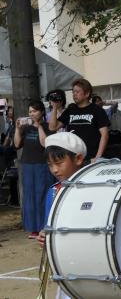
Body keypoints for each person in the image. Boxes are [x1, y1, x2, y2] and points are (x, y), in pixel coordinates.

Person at [37, 132, 87, 299]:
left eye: (59, 163)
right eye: (50, 165)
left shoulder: (95, 188)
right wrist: (45, 237)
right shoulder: (53, 192)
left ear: (78, 159)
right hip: (66, 265)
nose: (54, 170)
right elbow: (48, 227)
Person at [14, 100, 54, 239]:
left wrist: (39, 126)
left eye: (34, 111)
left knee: (42, 194)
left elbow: (44, 143)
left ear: (41, 112)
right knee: (29, 196)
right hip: (27, 164)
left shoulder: (48, 126)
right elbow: (17, 144)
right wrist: (17, 129)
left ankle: (43, 226)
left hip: (42, 164)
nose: (31, 114)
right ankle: (33, 228)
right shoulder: (25, 127)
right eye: (30, 111)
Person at [50, 79, 110, 163]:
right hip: (73, 158)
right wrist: (54, 108)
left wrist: (98, 157)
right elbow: (53, 127)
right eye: (73, 92)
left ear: (87, 94)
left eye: (77, 92)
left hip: (91, 158)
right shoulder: (70, 110)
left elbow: (105, 134)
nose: (74, 94)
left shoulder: (97, 110)